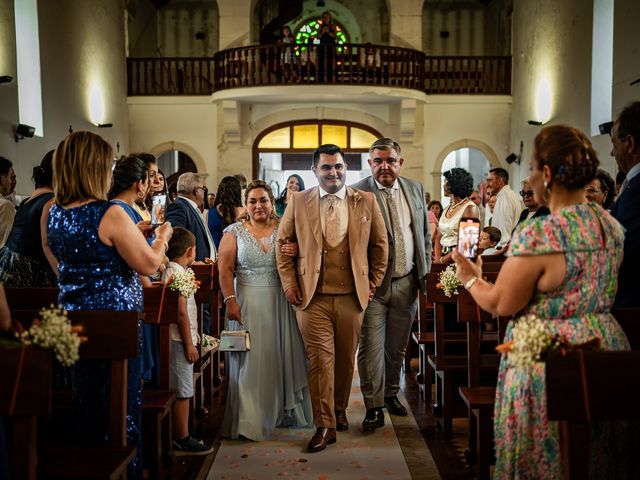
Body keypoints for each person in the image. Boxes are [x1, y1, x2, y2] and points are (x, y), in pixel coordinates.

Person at [453, 124, 631, 478]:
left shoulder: (542, 232)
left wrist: (470, 276)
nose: (530, 179)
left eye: (532, 170)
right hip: (606, 347)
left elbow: (502, 302)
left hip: (552, 355)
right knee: (599, 455)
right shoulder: (610, 225)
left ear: (547, 174)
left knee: (547, 454)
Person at [45, 131, 173, 480]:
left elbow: (78, 257)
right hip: (114, 322)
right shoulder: (111, 213)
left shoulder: (53, 212)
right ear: (95, 167)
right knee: (121, 404)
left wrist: (137, 233)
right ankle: (126, 470)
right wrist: (161, 238)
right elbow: (147, 264)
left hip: (74, 319)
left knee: (87, 400)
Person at [276, 144, 388, 452]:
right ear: (315, 171)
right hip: (312, 298)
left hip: (353, 296)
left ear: (345, 169)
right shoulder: (299, 201)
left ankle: (339, 408)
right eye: (326, 167)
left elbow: (380, 246)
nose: (333, 172)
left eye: (338, 166)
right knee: (320, 362)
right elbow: (283, 243)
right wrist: (289, 284)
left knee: (344, 360)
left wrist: (374, 281)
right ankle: (324, 425)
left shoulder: (365, 200)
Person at [219, 180, 312, 440]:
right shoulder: (234, 232)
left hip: (281, 301)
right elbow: (224, 270)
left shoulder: (286, 227)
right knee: (250, 362)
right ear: (245, 205)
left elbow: (308, 257)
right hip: (247, 302)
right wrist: (230, 300)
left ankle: (281, 411)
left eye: (263, 200)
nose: (258, 205)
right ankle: (250, 421)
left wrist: (297, 249)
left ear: (272, 202)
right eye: (252, 201)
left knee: (279, 356)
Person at [352, 138, 431, 432]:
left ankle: (390, 394)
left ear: (400, 162)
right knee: (371, 347)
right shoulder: (358, 192)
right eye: (378, 161)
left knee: (396, 348)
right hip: (373, 286)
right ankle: (373, 407)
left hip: (408, 281)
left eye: (390, 160)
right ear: (370, 163)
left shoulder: (414, 189)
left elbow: (422, 233)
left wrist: (425, 269)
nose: (384, 166)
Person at [161, 227, 214, 454]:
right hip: (179, 340)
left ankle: (179, 434)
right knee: (183, 389)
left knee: (183, 385)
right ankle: (181, 437)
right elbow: (181, 313)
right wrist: (190, 343)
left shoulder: (172, 270)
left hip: (179, 339)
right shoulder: (178, 275)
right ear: (191, 251)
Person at [0, 151, 56, 287]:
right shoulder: (50, 202)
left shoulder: (29, 200)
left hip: (10, 268)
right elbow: (47, 245)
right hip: (26, 277)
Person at [610, 101, 640, 308]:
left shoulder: (636, 191)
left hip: (630, 307)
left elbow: (627, 253)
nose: (612, 153)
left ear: (629, 143)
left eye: (614, 144)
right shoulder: (632, 187)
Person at [166, 172, 216, 262]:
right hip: (193, 270)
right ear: (196, 191)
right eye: (203, 189)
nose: (204, 192)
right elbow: (176, 240)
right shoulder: (179, 207)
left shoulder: (188, 207)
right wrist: (192, 262)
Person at [434, 168, 478, 263]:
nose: (443, 185)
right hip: (442, 257)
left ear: (455, 184)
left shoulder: (470, 208)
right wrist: (438, 258)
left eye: (446, 181)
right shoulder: (447, 208)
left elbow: (468, 245)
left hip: (459, 260)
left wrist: (443, 260)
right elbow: (439, 236)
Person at [486, 167, 521, 247]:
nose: (488, 184)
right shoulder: (510, 194)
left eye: (490, 180)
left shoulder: (505, 196)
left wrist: (499, 248)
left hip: (502, 248)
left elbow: (504, 229)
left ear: (500, 181)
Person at [208, 176, 244, 250]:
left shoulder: (210, 212)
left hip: (214, 254)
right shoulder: (243, 212)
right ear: (238, 192)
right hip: (235, 254)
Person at [0, 157, 16, 247]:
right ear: (3, 180)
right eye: (10, 177)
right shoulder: (5, 206)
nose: (11, 182)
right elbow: (6, 243)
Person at [317, 11, 337, 82]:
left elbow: (335, 37)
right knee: (322, 63)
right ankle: (321, 79)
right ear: (322, 18)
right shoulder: (320, 27)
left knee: (330, 63)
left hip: (331, 48)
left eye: (327, 17)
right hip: (322, 48)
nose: (326, 19)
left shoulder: (333, 26)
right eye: (324, 17)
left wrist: (328, 32)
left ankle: (331, 78)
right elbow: (318, 37)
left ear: (330, 18)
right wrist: (322, 32)